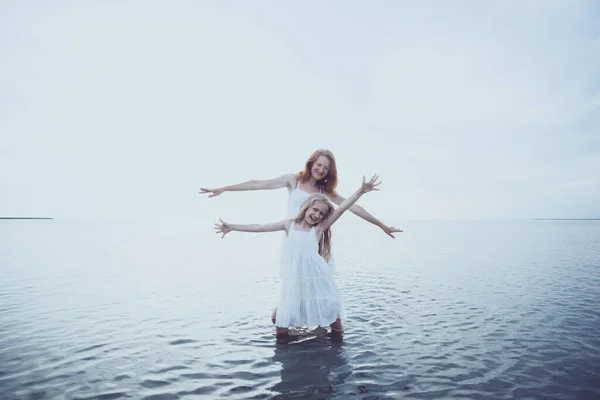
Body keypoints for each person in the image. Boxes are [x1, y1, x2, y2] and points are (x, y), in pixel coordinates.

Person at [200, 149, 403, 322]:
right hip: (292, 237)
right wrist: (225, 189)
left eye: (326, 168)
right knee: (293, 286)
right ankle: (286, 320)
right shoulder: (293, 180)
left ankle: (325, 323)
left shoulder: (326, 191)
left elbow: (352, 208)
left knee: (317, 286)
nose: (321, 170)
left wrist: (381, 225)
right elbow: (258, 183)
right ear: (311, 162)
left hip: (312, 240)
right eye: (319, 164)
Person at [214, 174, 382, 340]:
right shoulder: (289, 224)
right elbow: (259, 227)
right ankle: (300, 339)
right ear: (307, 207)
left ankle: (332, 344)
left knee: (335, 323)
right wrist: (232, 227)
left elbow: (342, 208)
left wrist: (361, 191)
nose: (317, 215)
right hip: (294, 279)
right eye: (315, 210)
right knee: (281, 329)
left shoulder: (318, 229)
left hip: (317, 278)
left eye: (321, 214)